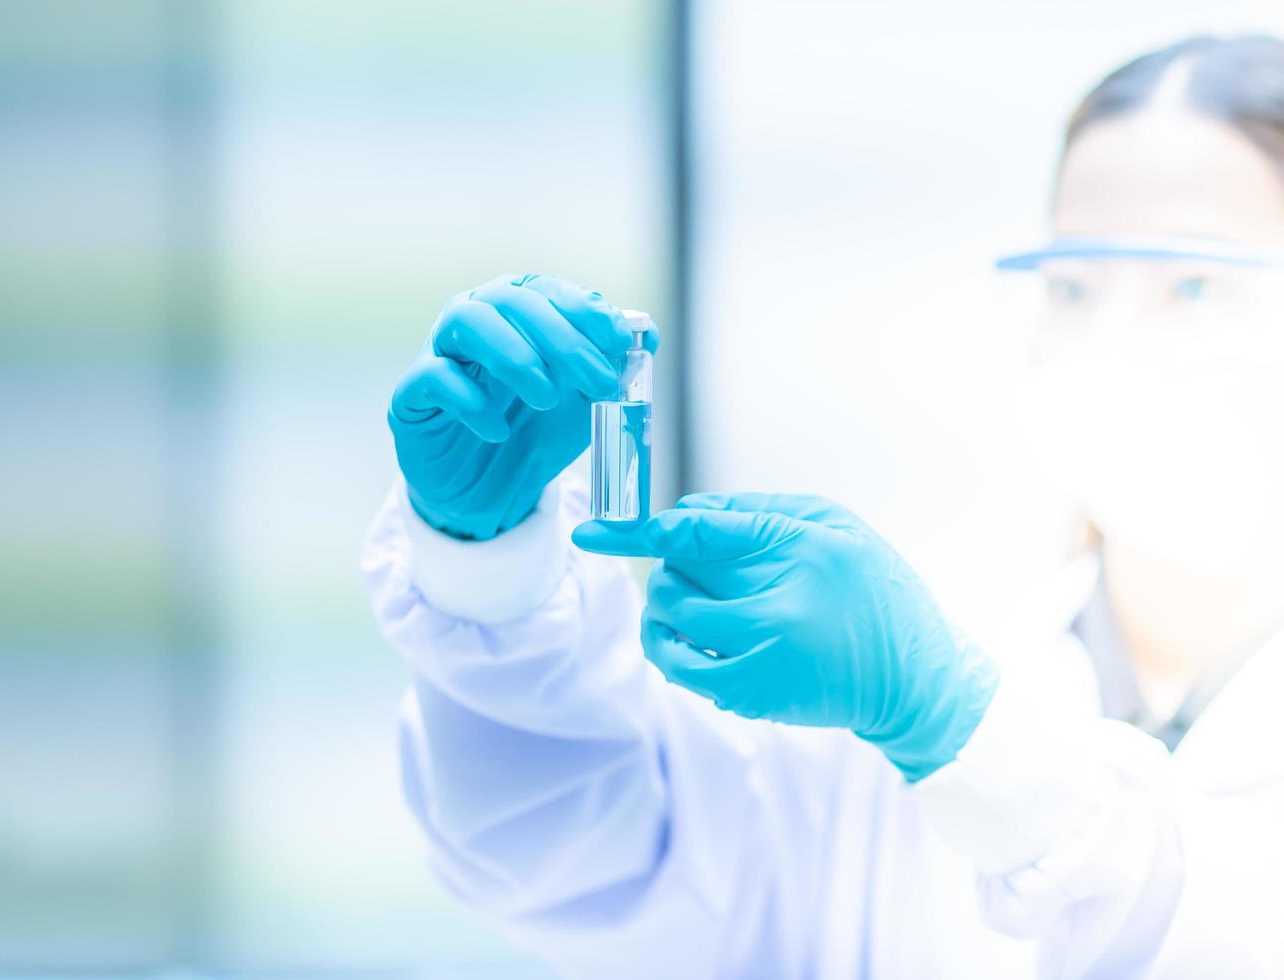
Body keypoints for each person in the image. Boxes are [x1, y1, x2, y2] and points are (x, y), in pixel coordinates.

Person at [362, 35, 1284, 978]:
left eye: (1195, 283)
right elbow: (585, 863)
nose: (1114, 342)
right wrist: (490, 566)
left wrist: (962, 731)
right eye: (1074, 287)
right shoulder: (909, 714)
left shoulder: (937, 703)